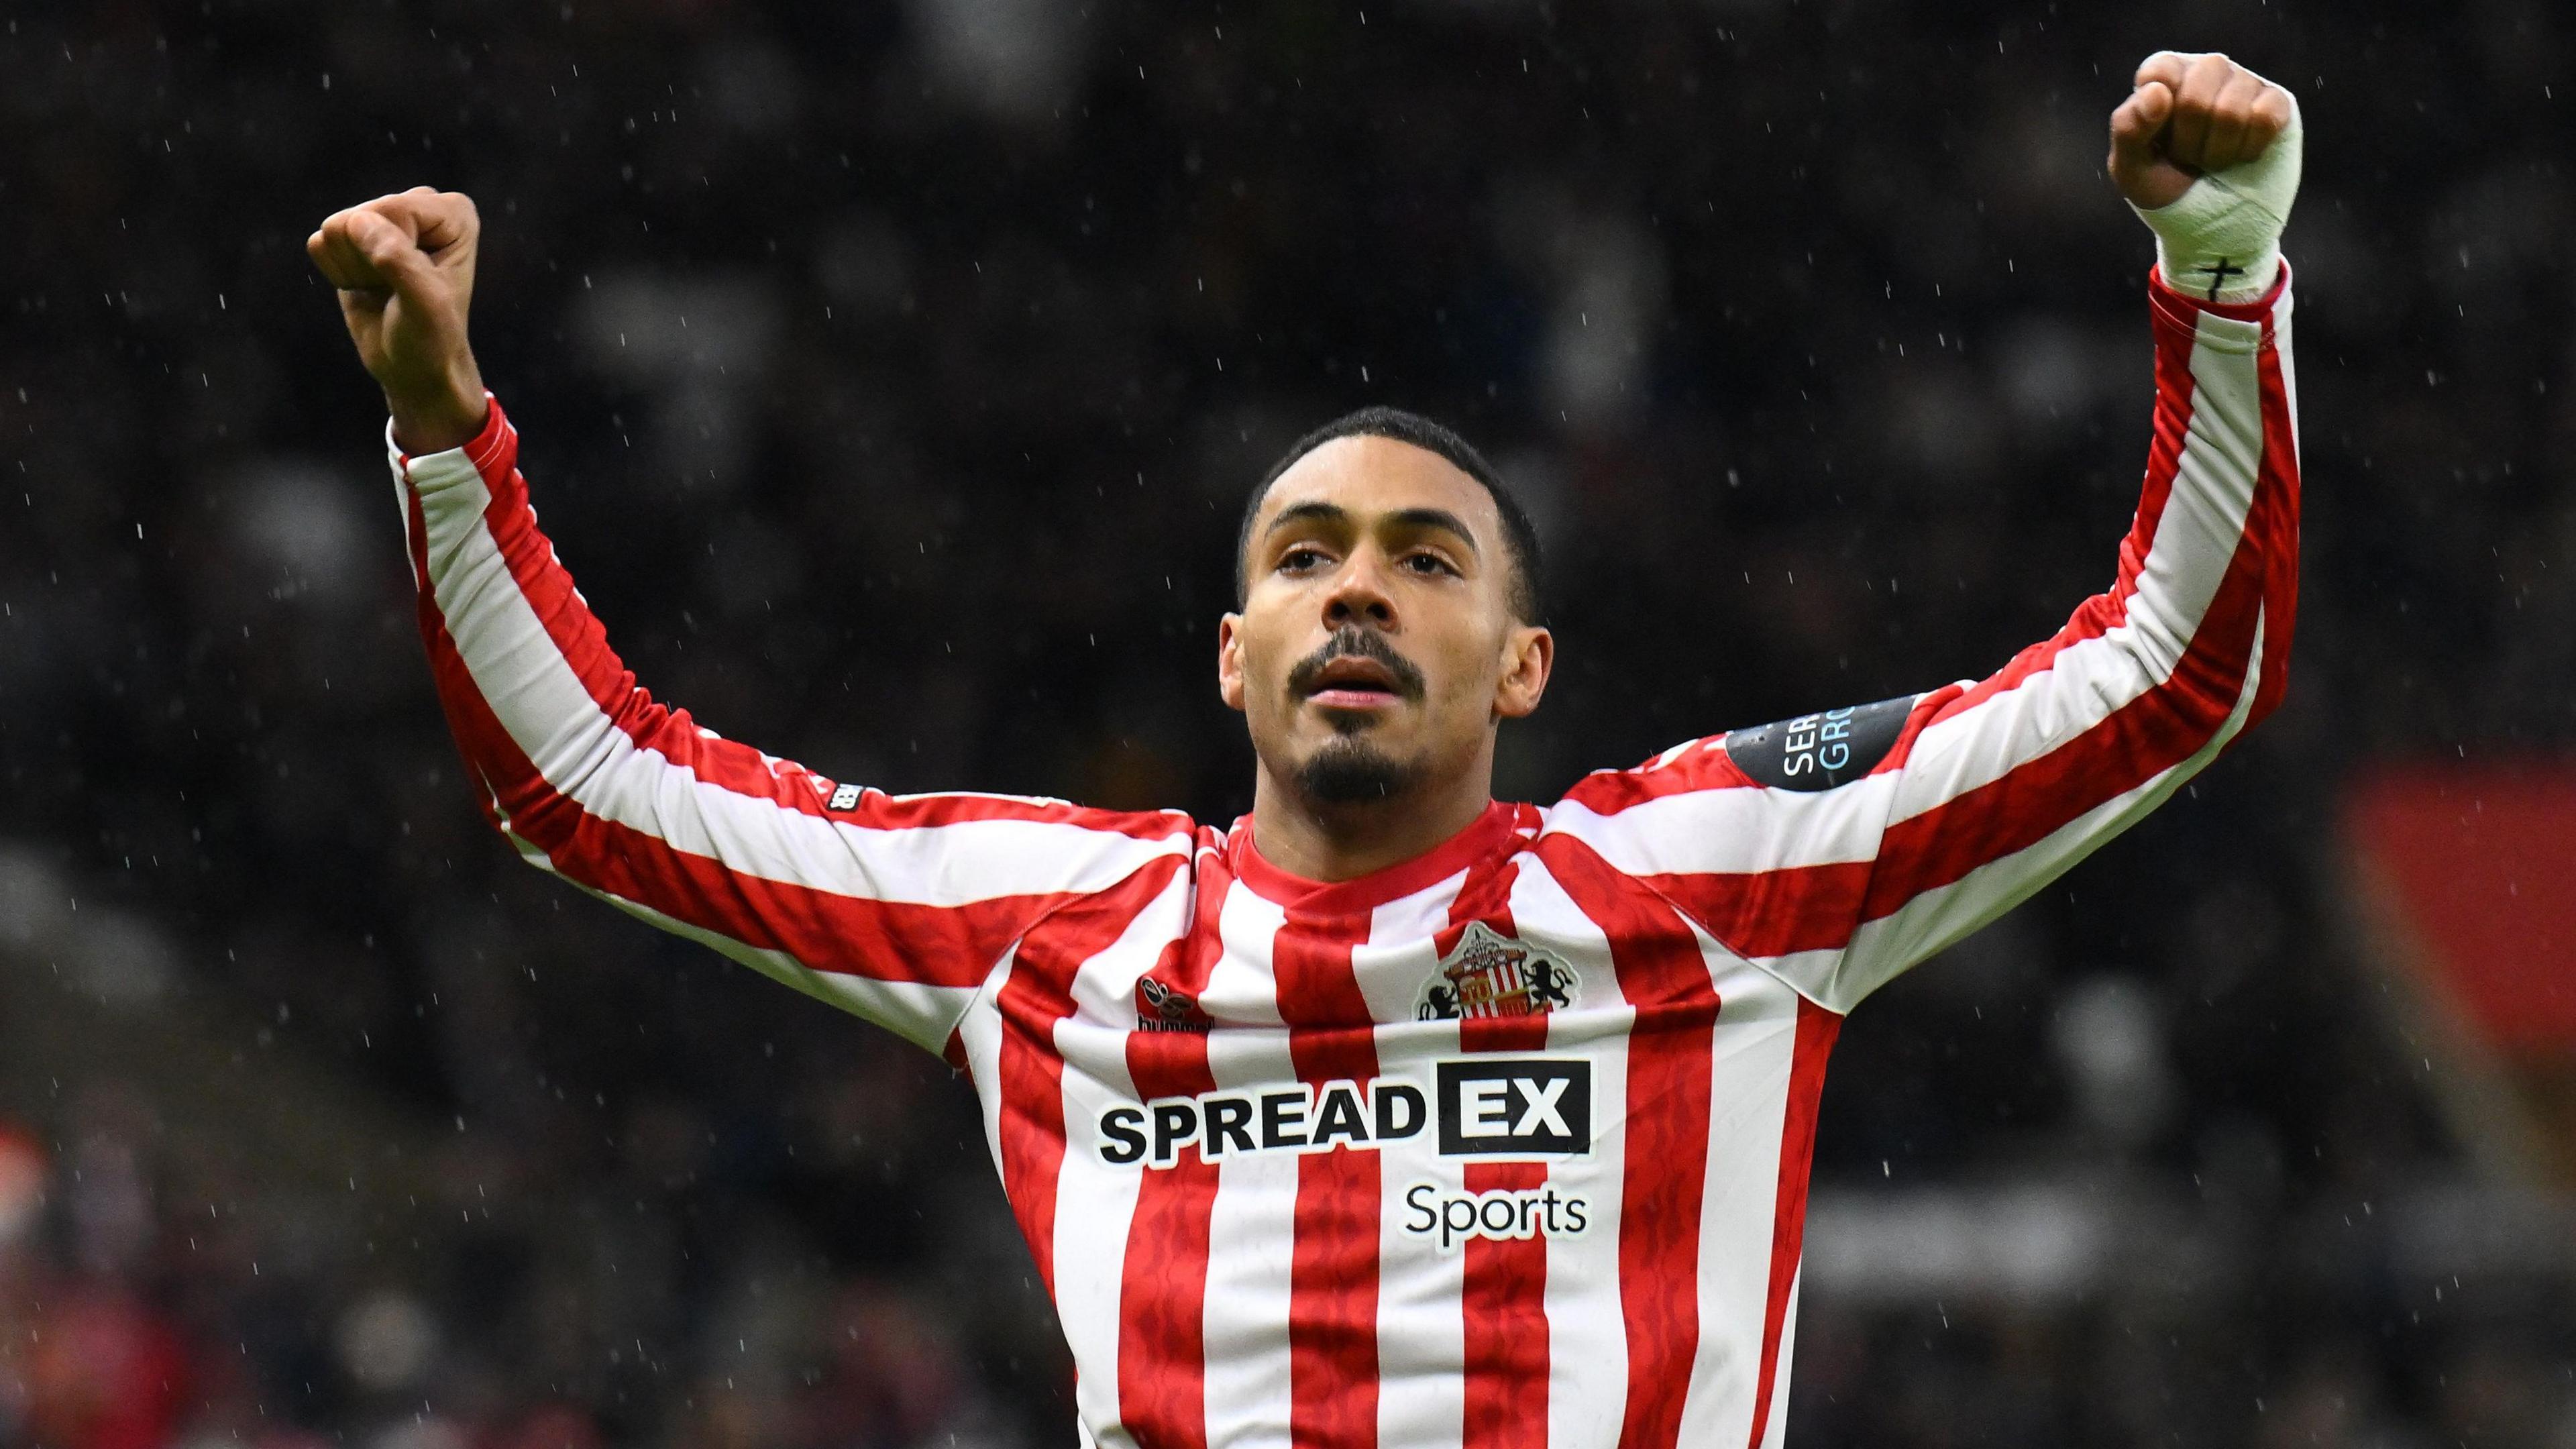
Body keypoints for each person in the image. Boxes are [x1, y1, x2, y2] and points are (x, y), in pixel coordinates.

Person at [309, 50, 2303, 1449]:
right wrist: (438, 430)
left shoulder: (1709, 883)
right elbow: (592, 787)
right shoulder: (1055, 936)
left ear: (1523, 664)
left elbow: (2166, 674)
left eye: (1425, 560)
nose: (1358, 592)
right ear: (1234, 657)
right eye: (1307, 558)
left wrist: (2221, 282)